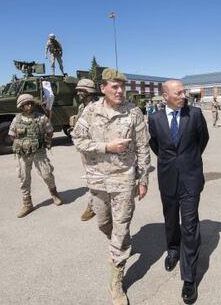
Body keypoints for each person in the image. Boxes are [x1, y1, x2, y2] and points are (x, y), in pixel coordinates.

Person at [71, 68, 150, 305]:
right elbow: (78, 140)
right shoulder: (90, 111)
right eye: (114, 86)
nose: (119, 90)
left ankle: (116, 279)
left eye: (122, 86)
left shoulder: (133, 113)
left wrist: (143, 179)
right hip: (96, 179)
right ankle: (119, 243)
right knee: (104, 222)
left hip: (124, 179)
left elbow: (143, 148)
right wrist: (107, 147)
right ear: (103, 88)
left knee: (121, 227)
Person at [148, 80, 209, 304]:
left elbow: (203, 140)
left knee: (190, 226)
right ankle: (173, 249)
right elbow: (156, 145)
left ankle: (189, 278)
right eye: (178, 93)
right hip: (167, 177)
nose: (184, 95)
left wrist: (188, 160)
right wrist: (171, 162)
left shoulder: (194, 114)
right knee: (171, 220)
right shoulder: (154, 118)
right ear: (165, 96)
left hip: (191, 178)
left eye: (184, 92)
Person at [8, 94, 63, 218]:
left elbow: (50, 132)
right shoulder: (17, 119)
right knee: (24, 178)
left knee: (47, 174)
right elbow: (11, 135)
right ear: (21, 106)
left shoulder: (41, 118)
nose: (30, 105)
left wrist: (44, 141)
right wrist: (21, 144)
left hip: (39, 152)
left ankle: (54, 193)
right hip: (23, 154)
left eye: (31, 103)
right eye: (26, 104)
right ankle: (27, 203)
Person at [75, 78, 99, 221]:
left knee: (94, 178)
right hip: (86, 148)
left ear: (88, 91)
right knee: (93, 177)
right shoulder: (81, 107)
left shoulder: (97, 106)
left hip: (96, 147)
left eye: (81, 90)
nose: (78, 93)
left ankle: (92, 206)